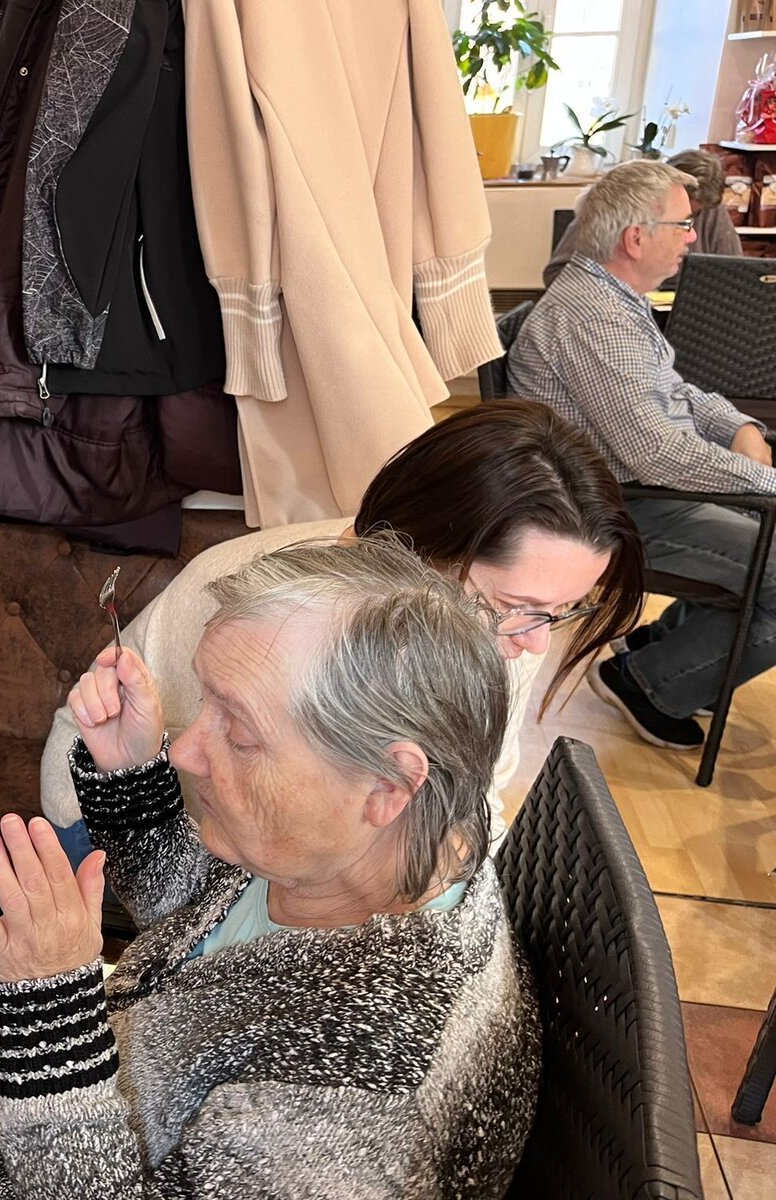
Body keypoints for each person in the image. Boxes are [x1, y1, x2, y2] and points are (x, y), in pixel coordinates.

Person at [0, 538, 539, 1198]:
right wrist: (132, 781)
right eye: (205, 705)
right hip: (96, 1086)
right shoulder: (369, 849)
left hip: (65, 1133)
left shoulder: (360, 1102)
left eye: (239, 731)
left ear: (388, 785)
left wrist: (51, 1015)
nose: (187, 749)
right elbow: (198, 927)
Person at [42, 400, 644, 862]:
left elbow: (474, 800)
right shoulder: (273, 619)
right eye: (518, 607)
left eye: (562, 611)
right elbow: (246, 854)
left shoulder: (507, 630)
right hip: (129, 821)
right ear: (418, 552)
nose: (536, 643)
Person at [508, 160, 776, 751]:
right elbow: (657, 453)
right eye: (683, 224)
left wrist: (737, 425)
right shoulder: (595, 317)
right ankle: (651, 684)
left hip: (632, 491)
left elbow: (674, 392)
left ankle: (665, 654)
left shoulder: (611, 298)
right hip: (612, 509)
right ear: (636, 238)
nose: (693, 236)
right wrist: (763, 480)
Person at [543, 148, 741, 288]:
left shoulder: (711, 209)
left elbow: (736, 274)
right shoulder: (616, 204)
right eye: (677, 207)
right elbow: (558, 274)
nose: (691, 234)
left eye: (692, 214)